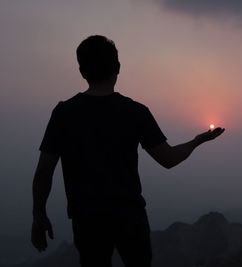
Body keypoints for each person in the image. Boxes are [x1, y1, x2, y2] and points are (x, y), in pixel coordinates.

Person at [31, 35, 225, 267]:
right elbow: (168, 159)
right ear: (118, 68)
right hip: (130, 217)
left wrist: (38, 215)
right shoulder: (135, 112)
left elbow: (44, 171)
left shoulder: (64, 113)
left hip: (87, 220)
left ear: (82, 71)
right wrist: (197, 141)